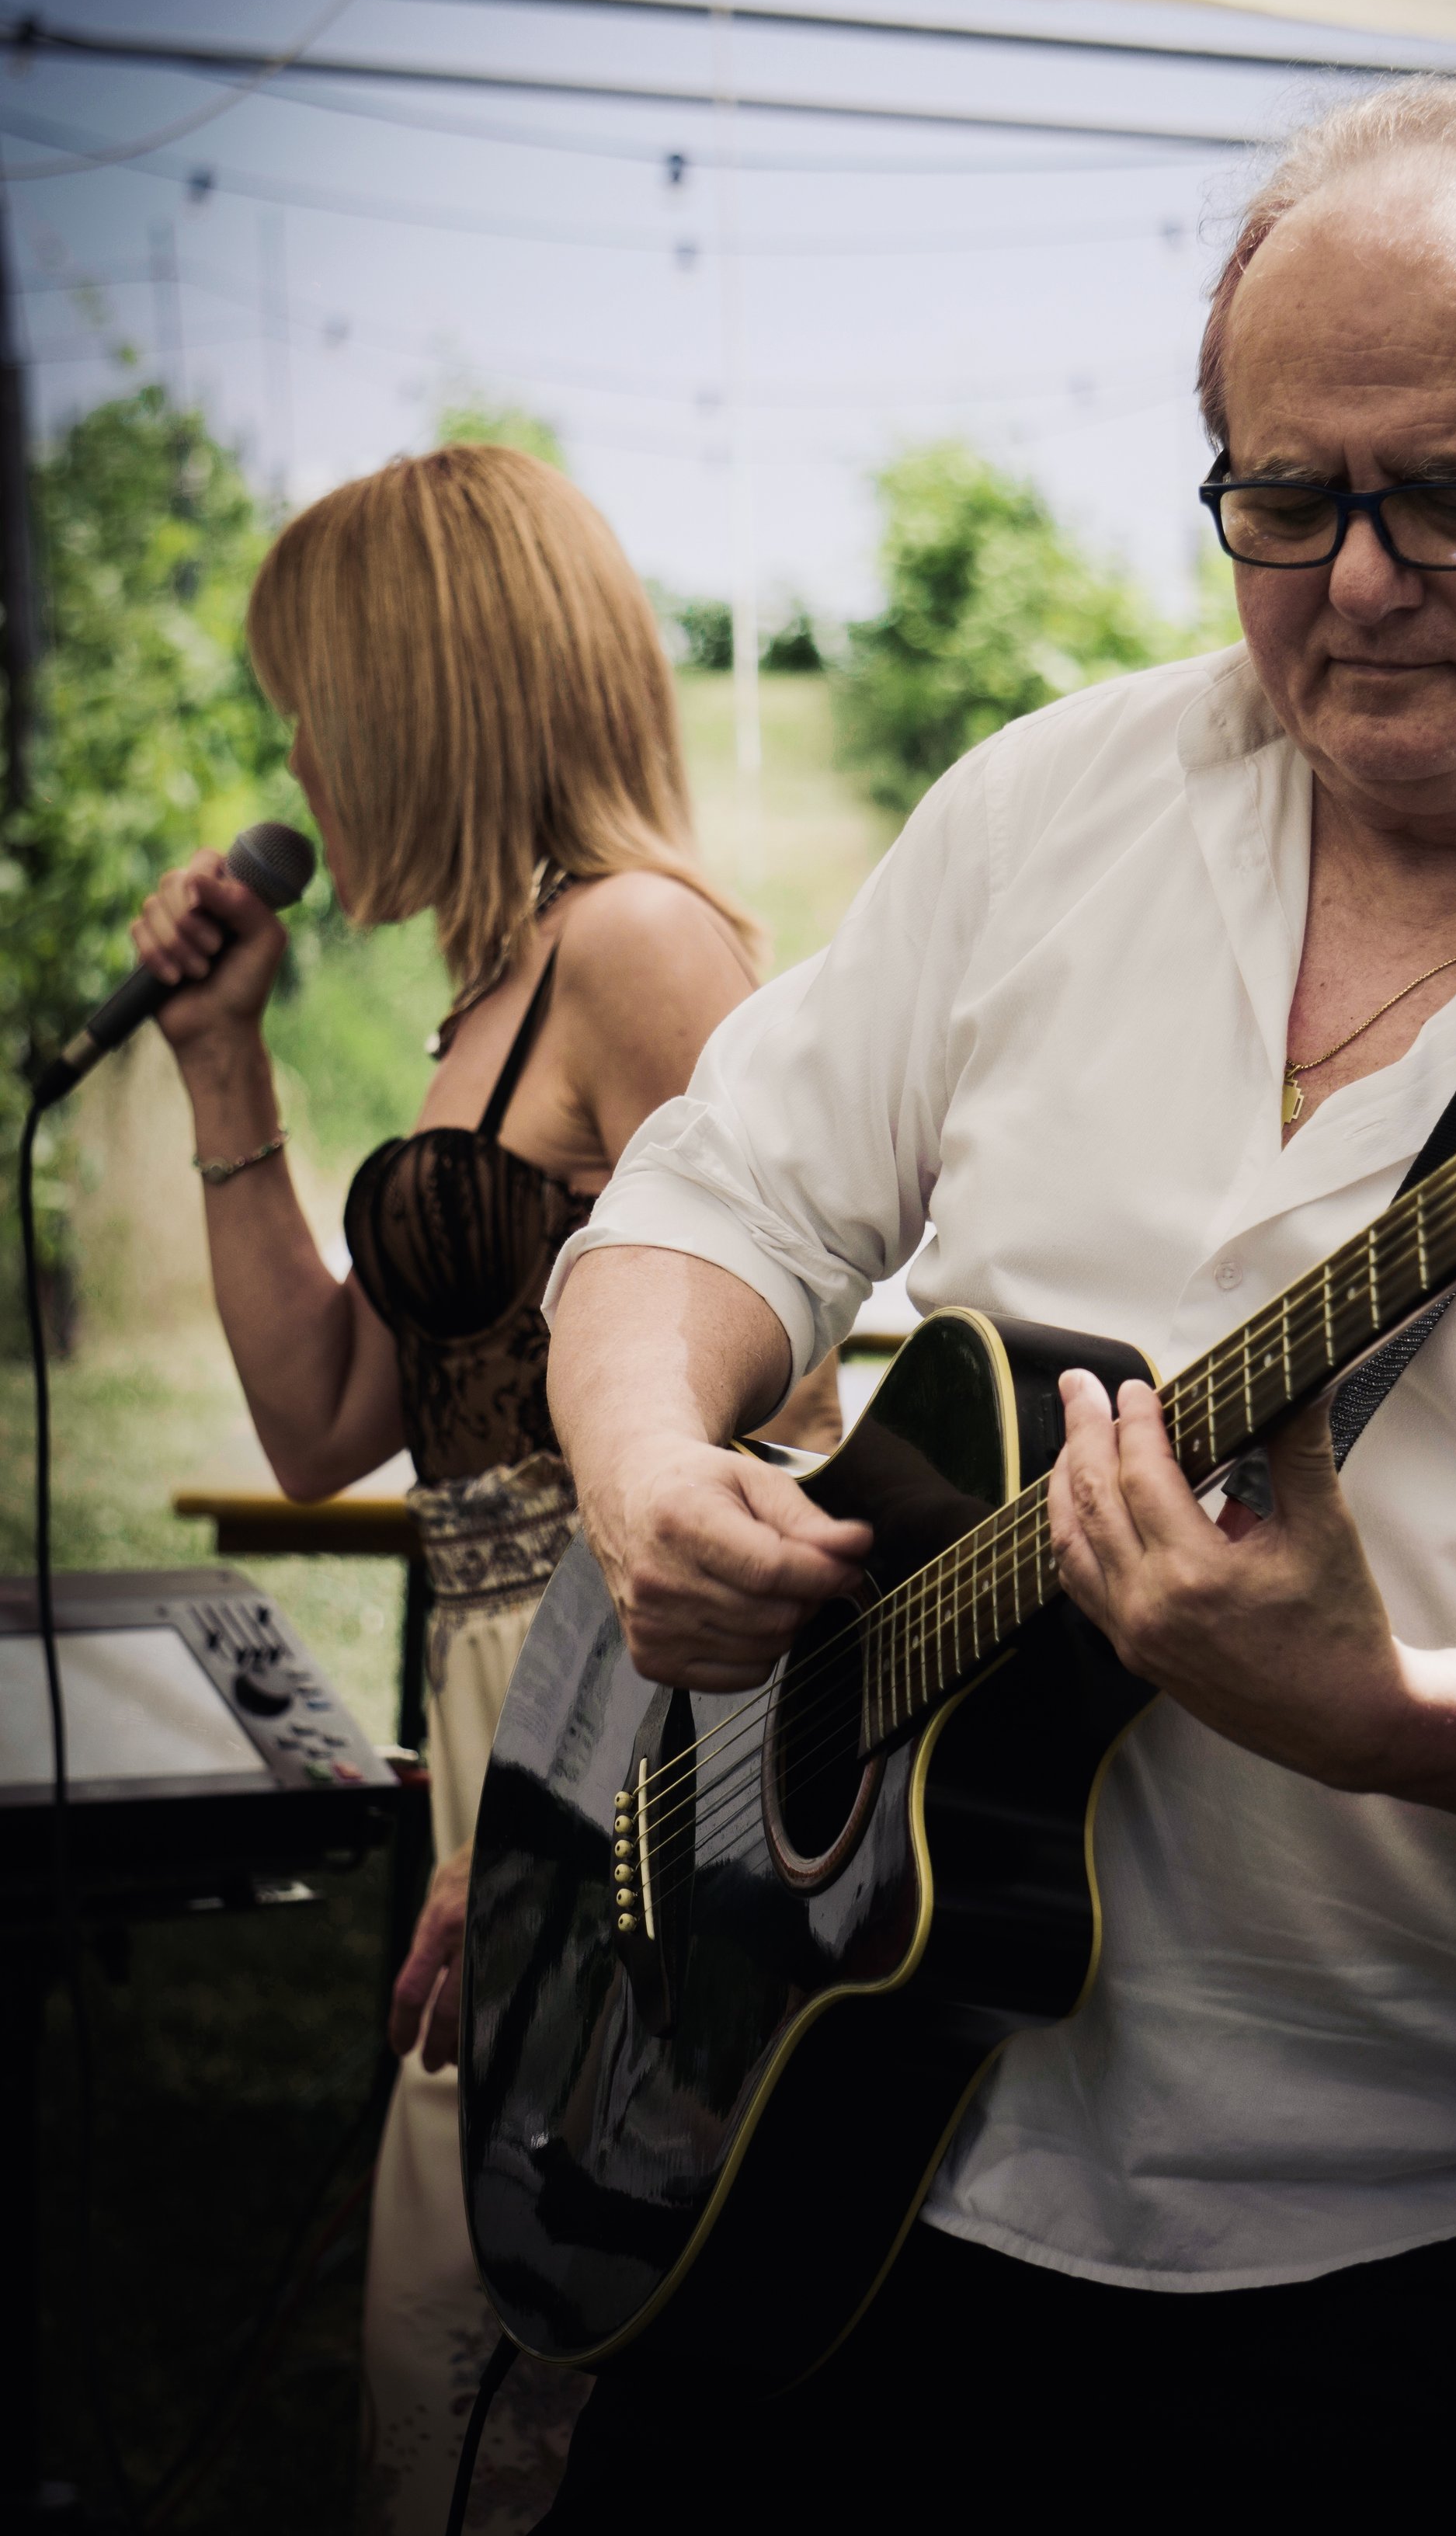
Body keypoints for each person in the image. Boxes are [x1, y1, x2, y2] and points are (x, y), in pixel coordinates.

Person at [533, 82, 1456, 2529]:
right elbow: (715, 1194)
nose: (1356, 581)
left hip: (1400, 2268)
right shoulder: (1057, 801)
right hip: (818, 2114)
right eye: (1283, 499)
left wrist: (1383, 1713)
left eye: (1453, 497)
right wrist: (652, 1467)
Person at [132, 445, 837, 2536]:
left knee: (510, 2336)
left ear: (423, 696)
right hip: (480, 1673)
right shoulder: (497, 983)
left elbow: (780, 1424)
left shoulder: (640, 946)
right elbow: (324, 1419)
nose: (297, 757)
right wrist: (225, 1061)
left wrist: (575, 1792)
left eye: (314, 704)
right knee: (446, 2333)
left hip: (611, 1693)